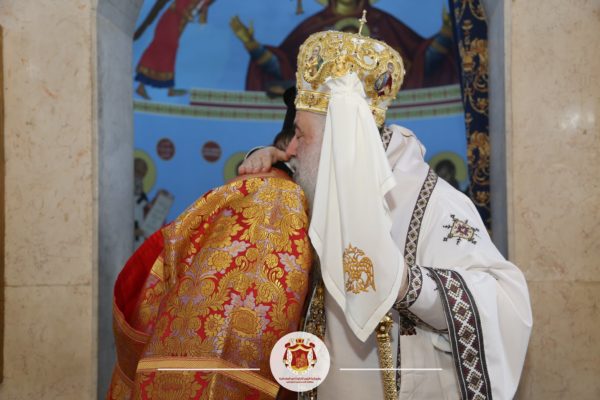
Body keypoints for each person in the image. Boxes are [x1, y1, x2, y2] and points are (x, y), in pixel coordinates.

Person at [239, 27, 532, 400]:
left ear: (340, 139)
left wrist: (406, 283)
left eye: (300, 135)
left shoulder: (435, 204)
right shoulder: (321, 188)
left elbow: (505, 303)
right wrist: (267, 164)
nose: (291, 148)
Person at [107, 100, 312, 399]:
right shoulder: (274, 197)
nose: (292, 149)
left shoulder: (280, 190)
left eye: (300, 137)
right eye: (292, 140)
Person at [230, 0, 458, 94]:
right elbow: (287, 69)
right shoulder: (313, 28)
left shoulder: (382, 22)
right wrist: (252, 45)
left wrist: (447, 34)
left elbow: (418, 66)